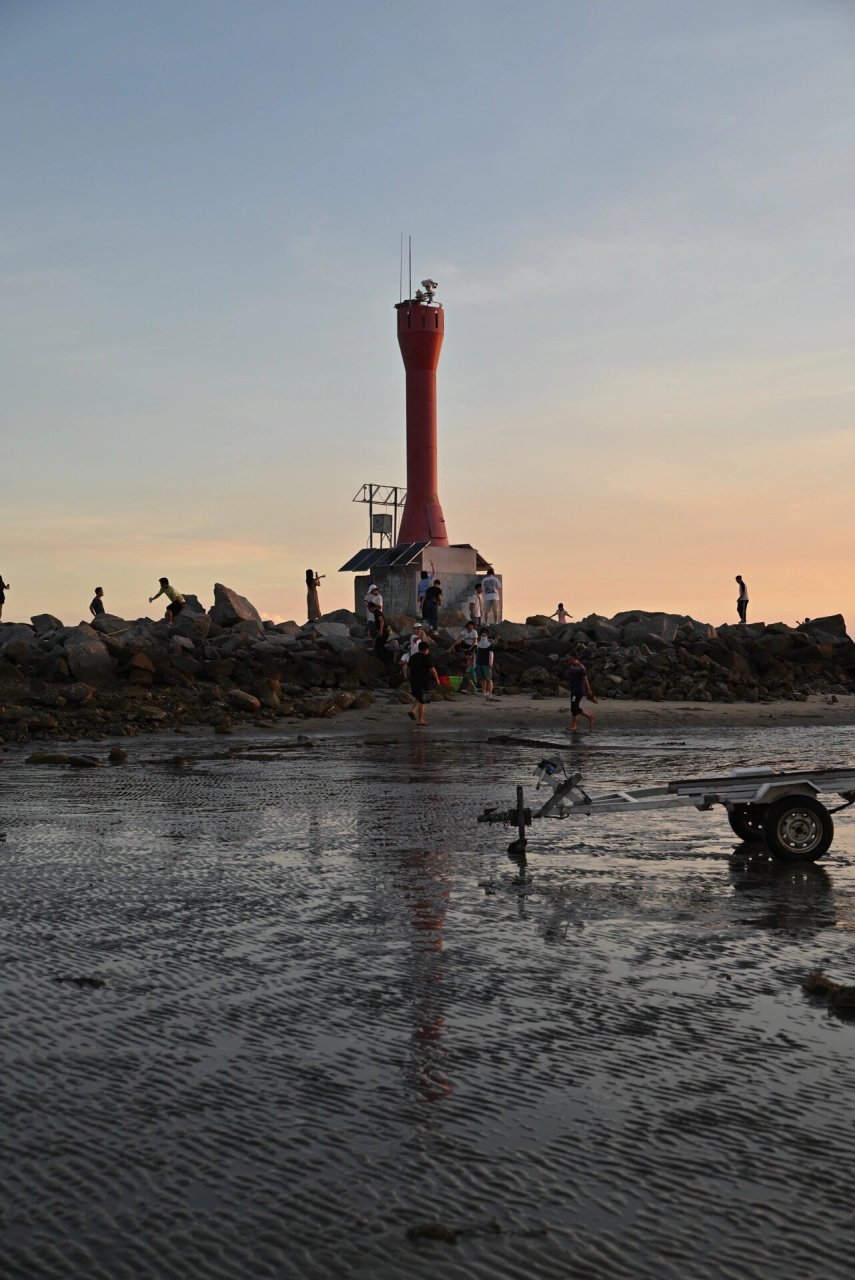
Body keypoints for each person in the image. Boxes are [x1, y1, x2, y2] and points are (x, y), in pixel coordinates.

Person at [407, 640, 440, 726]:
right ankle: (420, 720)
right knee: (423, 701)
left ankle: (413, 711)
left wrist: (410, 677)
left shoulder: (413, 656)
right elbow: (433, 670)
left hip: (414, 681)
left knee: (417, 696)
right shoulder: (426, 657)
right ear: (426, 649)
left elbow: (408, 668)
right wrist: (437, 680)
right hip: (424, 682)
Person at [566, 654, 597, 732]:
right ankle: (589, 717)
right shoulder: (572, 666)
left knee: (574, 707)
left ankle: (574, 725)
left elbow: (585, 680)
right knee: (574, 707)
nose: (569, 661)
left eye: (570, 659)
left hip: (578, 690)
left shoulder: (581, 668)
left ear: (575, 659)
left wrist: (589, 691)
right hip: (573, 689)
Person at [452, 620, 480, 693]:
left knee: (470, 674)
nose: (470, 627)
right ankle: (469, 689)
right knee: (469, 674)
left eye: (471, 626)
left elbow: (474, 642)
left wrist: (469, 650)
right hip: (469, 664)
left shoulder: (474, 632)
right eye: (469, 626)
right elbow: (459, 637)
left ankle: (471, 689)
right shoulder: (464, 631)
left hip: (472, 648)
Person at [475, 627, 496, 699]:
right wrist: (475, 663)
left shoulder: (490, 645)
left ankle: (489, 693)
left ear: (487, 636)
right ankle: (484, 692)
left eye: (485, 635)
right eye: (482, 635)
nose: (483, 636)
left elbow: (491, 654)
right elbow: (476, 654)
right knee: (482, 679)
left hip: (487, 664)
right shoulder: (477, 645)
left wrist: (491, 663)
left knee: (489, 679)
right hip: (479, 663)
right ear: (480, 635)